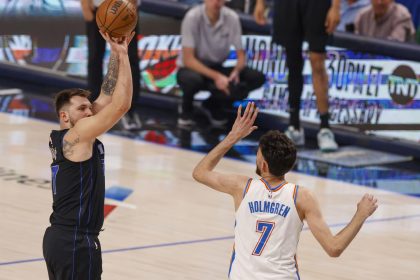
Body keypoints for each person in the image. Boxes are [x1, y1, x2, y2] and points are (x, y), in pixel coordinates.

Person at [192, 102, 378, 279]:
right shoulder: (302, 197)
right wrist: (360, 215)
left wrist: (233, 136)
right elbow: (334, 248)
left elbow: (200, 172)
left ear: (263, 165)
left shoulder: (243, 187)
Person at [43, 31, 134, 279]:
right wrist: (125, 57)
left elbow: (107, 93)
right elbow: (121, 105)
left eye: (89, 107)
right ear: (65, 117)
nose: (89, 112)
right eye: (82, 108)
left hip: (65, 238)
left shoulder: (73, 135)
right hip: (74, 240)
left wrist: (116, 52)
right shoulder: (76, 135)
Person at [254, 0, 341, 151]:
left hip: (316, 5)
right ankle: (294, 126)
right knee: (293, 62)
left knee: (317, 61)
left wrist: (335, 6)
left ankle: (325, 128)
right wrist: (260, 2)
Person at [177, 0, 266, 127]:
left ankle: (212, 105)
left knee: (255, 77)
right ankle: (186, 109)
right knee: (192, 80)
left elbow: (241, 56)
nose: (216, 2)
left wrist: (236, 71)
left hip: (217, 66)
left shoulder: (232, 18)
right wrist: (217, 77)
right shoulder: (192, 17)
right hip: (194, 68)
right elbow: (188, 60)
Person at [80, 0, 142, 130]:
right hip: (98, 8)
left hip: (125, 8)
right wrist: (84, 3)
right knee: (95, 57)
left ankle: (130, 111)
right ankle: (94, 108)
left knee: (129, 58)